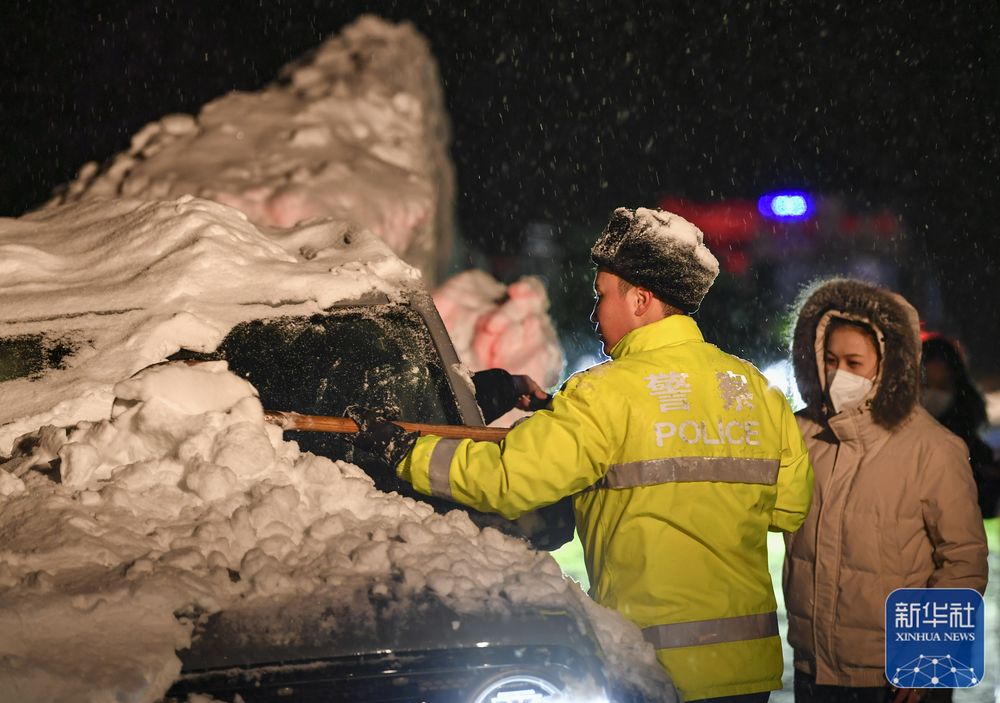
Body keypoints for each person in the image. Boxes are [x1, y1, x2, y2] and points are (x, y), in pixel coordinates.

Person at [346, 206, 815, 702]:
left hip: (655, 666)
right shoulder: (754, 390)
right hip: (747, 669)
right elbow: (789, 508)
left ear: (641, 300)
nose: (594, 314)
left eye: (601, 296)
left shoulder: (604, 393)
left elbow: (507, 481)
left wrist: (406, 452)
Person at [783, 278, 989, 702]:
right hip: (815, 671)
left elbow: (963, 561)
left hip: (896, 680)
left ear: (888, 363)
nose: (838, 374)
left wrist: (927, 661)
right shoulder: (801, 434)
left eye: (854, 362)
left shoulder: (933, 449)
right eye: (830, 360)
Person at [921, 334, 1000, 519]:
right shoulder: (892, 443)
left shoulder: (973, 451)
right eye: (926, 385)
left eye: (942, 386)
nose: (933, 394)